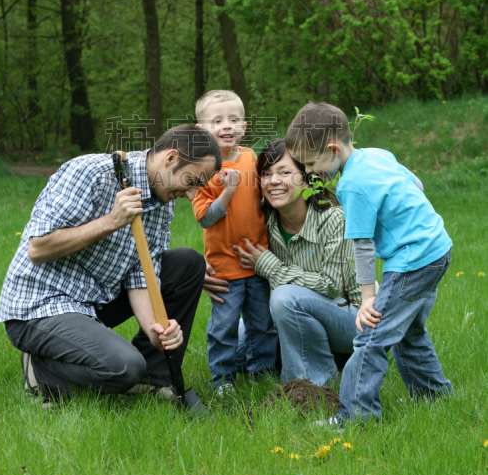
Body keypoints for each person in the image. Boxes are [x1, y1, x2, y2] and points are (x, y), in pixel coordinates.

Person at [0, 125, 222, 405]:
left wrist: (155, 328)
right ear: (171, 159)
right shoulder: (89, 173)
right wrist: (112, 221)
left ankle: (152, 377)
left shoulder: (163, 199)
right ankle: (42, 370)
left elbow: (141, 272)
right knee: (124, 366)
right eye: (191, 181)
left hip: (92, 304)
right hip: (40, 307)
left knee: (188, 264)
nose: (190, 195)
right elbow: (38, 248)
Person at [285, 101, 453, 425]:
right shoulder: (376, 154)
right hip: (437, 248)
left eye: (310, 162)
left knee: (370, 336)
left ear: (332, 149)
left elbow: (362, 246)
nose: (308, 172)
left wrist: (367, 300)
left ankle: (357, 416)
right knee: (408, 331)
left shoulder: (352, 185)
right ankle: (433, 396)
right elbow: (417, 185)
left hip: (412, 261)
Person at [233, 139, 359, 386]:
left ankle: (311, 385)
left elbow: (332, 286)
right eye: (266, 174)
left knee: (284, 297)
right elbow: (231, 240)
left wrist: (269, 266)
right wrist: (209, 267)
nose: (274, 181)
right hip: (298, 314)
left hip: (352, 316)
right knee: (238, 343)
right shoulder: (265, 220)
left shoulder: (334, 218)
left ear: (306, 177)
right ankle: (318, 355)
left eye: (285, 172)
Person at [192, 90, 278, 391]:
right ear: (202, 130)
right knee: (223, 328)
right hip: (224, 269)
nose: (226, 126)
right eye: (217, 121)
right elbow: (205, 218)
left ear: (244, 127)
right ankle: (223, 381)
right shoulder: (203, 170)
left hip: (257, 262)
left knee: (262, 324)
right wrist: (226, 191)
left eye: (233, 120)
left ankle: (261, 374)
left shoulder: (253, 159)